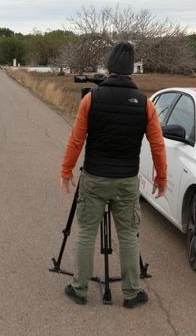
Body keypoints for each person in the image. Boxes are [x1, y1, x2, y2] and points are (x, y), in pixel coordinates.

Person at [59, 42, 167, 308]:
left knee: (86, 232)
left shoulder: (91, 99)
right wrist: (161, 177)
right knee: (129, 234)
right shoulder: (145, 104)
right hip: (127, 181)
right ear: (131, 70)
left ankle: (80, 288)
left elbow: (76, 140)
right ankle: (131, 293)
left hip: (95, 177)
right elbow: (157, 144)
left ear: (108, 68)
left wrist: (66, 169)